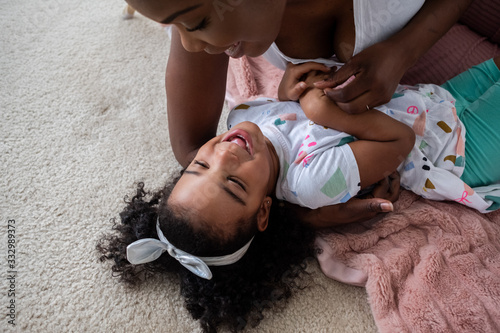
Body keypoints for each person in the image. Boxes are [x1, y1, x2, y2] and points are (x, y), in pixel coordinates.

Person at [98, 57, 500, 332]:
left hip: (435, 99)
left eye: (199, 166)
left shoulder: (241, 117)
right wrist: (326, 114)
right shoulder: (310, 183)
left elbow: (287, 114)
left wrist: (290, 92)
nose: (226, 153)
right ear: (264, 212)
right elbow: (398, 140)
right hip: (457, 147)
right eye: (236, 183)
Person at [123, 0, 474, 224]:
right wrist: (293, 210)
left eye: (196, 23)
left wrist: (405, 49)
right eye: (177, 24)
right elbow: (190, 147)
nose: (189, 44)